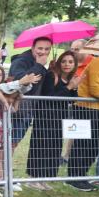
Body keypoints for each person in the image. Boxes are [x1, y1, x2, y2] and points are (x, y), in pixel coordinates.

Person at [25, 51, 80, 189]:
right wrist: (68, 87)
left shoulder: (70, 79)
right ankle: (33, 179)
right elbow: (50, 96)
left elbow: (71, 100)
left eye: (70, 62)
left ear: (74, 65)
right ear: (59, 62)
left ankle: (44, 178)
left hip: (59, 119)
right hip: (45, 117)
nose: (67, 64)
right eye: (64, 61)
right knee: (41, 146)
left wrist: (74, 88)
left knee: (54, 148)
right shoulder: (51, 75)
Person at [0, 65, 39, 192]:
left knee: (1, 155)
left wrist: (17, 97)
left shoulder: (4, 90)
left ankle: (3, 179)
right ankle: (2, 180)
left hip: (3, 127)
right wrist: (5, 101)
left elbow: (13, 109)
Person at [66, 44, 99, 191]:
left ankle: (81, 175)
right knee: (81, 144)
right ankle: (74, 178)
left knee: (96, 144)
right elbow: (95, 89)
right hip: (83, 107)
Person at [8, 36, 51, 149]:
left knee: (14, 144)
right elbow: (21, 80)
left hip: (27, 110)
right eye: (40, 48)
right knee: (7, 145)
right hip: (15, 109)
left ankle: (6, 166)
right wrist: (39, 65)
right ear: (32, 48)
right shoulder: (21, 61)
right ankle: (4, 167)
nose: (43, 52)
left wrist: (51, 70)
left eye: (47, 49)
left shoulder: (38, 62)